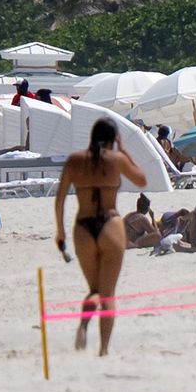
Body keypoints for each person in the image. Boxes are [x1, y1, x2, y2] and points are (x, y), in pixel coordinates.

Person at [57, 121, 131, 355]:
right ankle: (104, 349)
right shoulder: (116, 159)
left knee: (95, 288)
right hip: (110, 224)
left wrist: (60, 232)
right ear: (112, 139)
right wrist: (123, 150)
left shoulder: (75, 160)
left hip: (83, 228)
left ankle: (83, 324)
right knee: (107, 294)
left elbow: (59, 200)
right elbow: (140, 179)